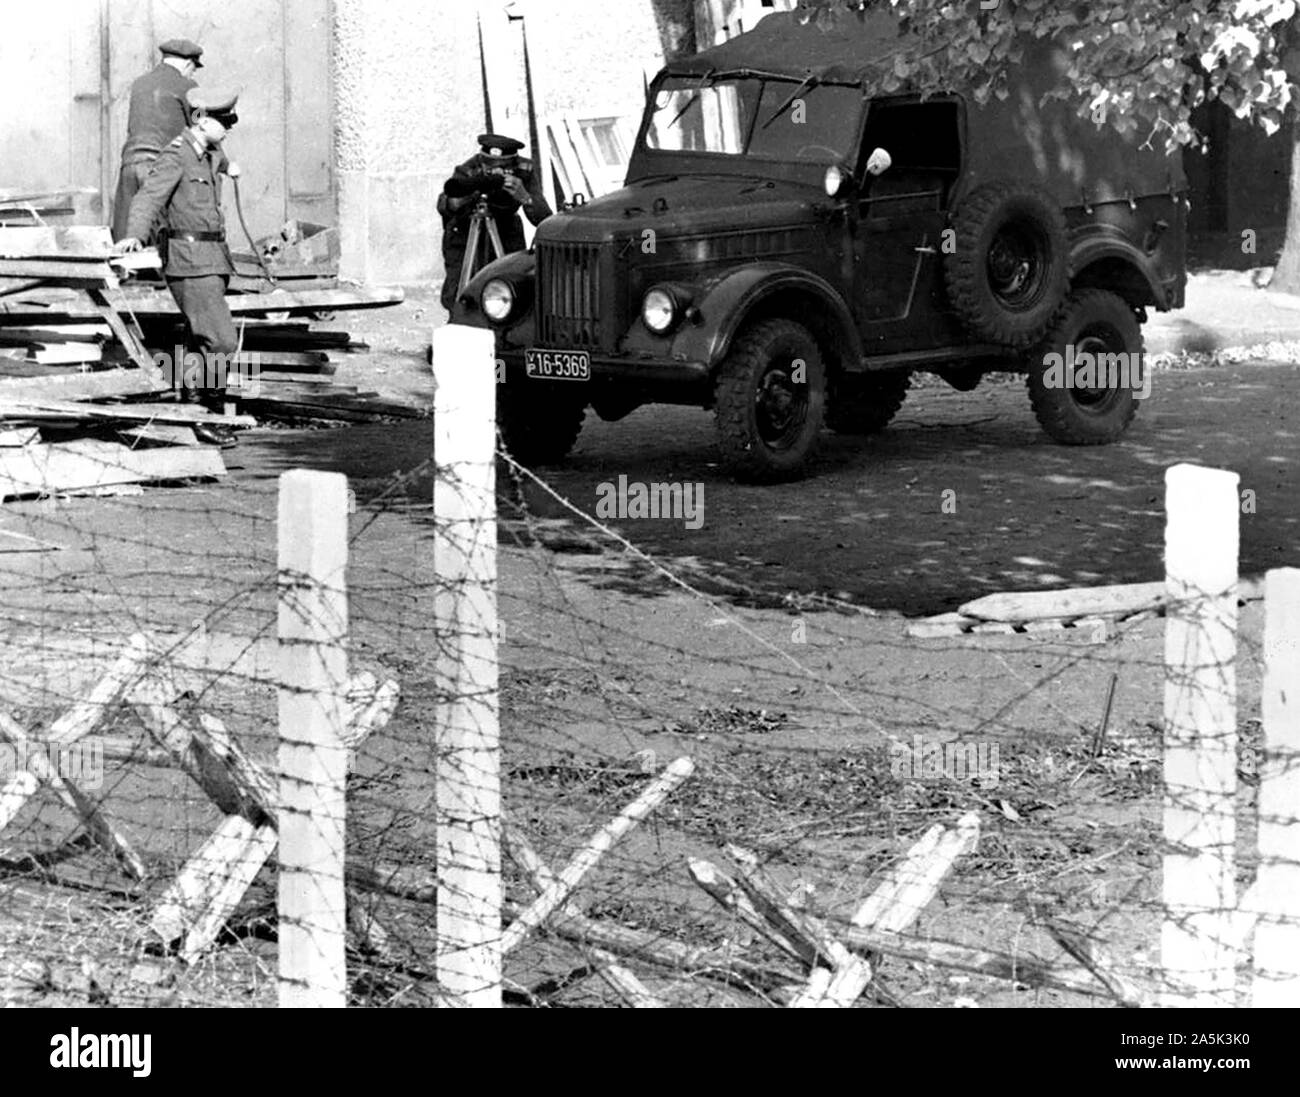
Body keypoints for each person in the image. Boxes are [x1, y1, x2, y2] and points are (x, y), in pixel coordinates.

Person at [115, 88, 244, 447]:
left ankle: (193, 413)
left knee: (197, 340)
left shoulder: (206, 154)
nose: (230, 126)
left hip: (212, 260)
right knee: (221, 340)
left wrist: (229, 165)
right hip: (189, 262)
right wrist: (133, 236)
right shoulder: (176, 155)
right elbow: (148, 196)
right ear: (201, 120)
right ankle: (210, 415)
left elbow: (218, 155)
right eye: (225, 121)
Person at [438, 133, 552, 313]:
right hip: (467, 234)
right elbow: (445, 204)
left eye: (502, 169)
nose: (496, 173)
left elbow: (544, 219)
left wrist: (525, 197)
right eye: (490, 169)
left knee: (510, 289)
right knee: (461, 293)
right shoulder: (469, 170)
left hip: (505, 231)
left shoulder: (524, 170)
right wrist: (466, 195)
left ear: (513, 164)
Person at [111, 38, 204, 242]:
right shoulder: (189, 86)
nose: (193, 73)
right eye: (194, 68)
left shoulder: (140, 83)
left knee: (127, 235)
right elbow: (200, 128)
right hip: (160, 168)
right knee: (164, 239)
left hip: (130, 165)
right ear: (189, 63)